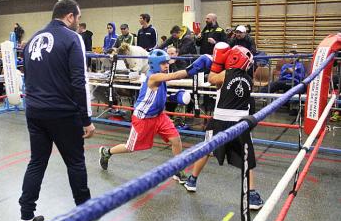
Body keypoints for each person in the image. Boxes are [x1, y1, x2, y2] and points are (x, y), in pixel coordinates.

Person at [18, 0, 95, 221]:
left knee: (37, 162)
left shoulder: (31, 41)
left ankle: (26, 216)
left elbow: (27, 76)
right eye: (78, 17)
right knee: (75, 162)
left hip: (35, 110)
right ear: (70, 16)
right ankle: (84, 211)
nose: (78, 22)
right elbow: (79, 80)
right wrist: (86, 119)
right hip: (62, 112)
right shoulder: (73, 38)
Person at [184, 45, 264, 210]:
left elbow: (212, 79)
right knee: (247, 157)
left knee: (206, 151)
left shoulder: (226, 74)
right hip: (240, 124)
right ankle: (252, 195)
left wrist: (216, 63)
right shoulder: (250, 80)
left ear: (233, 58)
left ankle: (192, 180)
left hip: (220, 121)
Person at [99, 49, 197, 184]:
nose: (167, 66)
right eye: (163, 63)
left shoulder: (160, 75)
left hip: (159, 116)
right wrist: (195, 67)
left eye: (167, 63)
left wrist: (173, 98)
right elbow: (176, 75)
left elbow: (157, 97)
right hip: (143, 118)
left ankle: (178, 170)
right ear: (155, 64)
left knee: (176, 140)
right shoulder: (153, 77)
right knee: (130, 147)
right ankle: (107, 152)